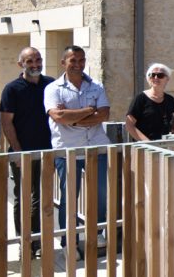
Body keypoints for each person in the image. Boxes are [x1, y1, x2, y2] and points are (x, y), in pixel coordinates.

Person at [44, 45, 111, 257]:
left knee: (100, 194)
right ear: (63, 63)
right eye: (73, 60)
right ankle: (68, 242)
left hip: (97, 147)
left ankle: (98, 233)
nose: (78, 64)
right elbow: (59, 117)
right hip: (68, 150)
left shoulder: (96, 86)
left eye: (81, 60)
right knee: (69, 197)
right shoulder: (54, 88)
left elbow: (104, 114)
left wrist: (73, 118)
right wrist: (90, 111)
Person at [0, 47, 54, 258]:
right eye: (30, 61)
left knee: (42, 197)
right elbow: (7, 123)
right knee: (24, 197)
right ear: (20, 64)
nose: (35, 64)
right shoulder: (12, 89)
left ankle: (39, 241)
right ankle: (25, 241)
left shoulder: (50, 84)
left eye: (38, 59)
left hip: (48, 152)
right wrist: (18, 151)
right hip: (22, 152)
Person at [125, 63, 174, 141]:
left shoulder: (170, 99)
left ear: (167, 79)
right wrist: (148, 143)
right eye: (153, 75)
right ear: (149, 78)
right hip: (144, 148)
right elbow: (129, 125)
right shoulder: (141, 98)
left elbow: (170, 116)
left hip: (164, 146)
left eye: (160, 75)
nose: (156, 78)